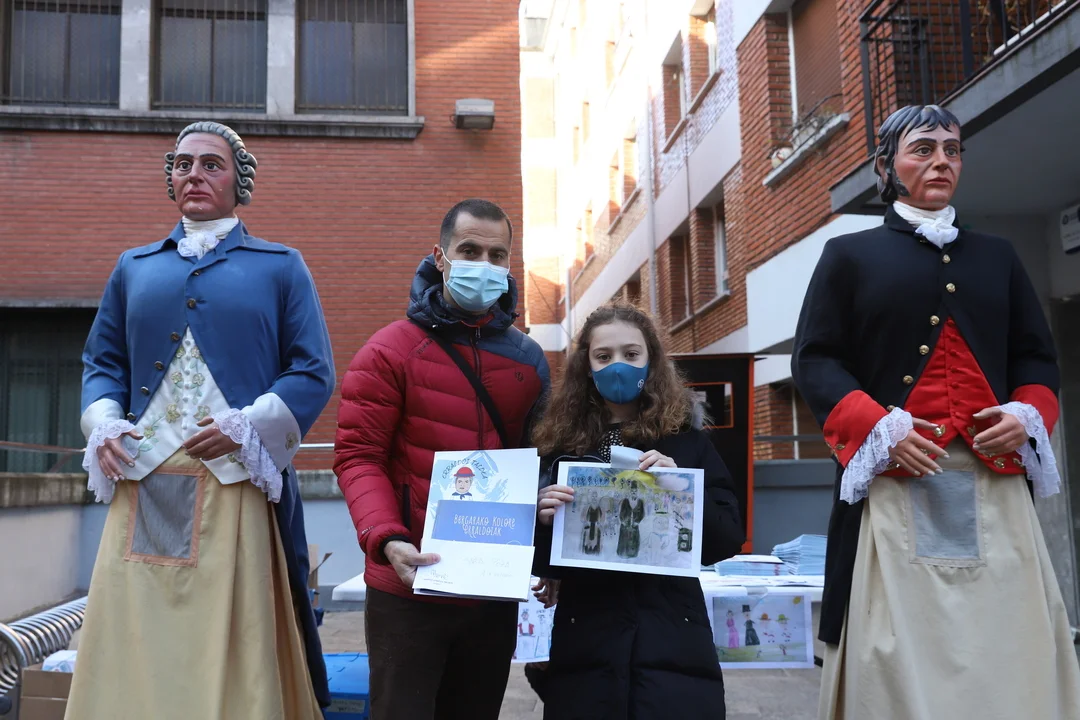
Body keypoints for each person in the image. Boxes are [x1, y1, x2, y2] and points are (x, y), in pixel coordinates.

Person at [792, 104, 1080, 719]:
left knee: (1007, 636)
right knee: (896, 647)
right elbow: (816, 360)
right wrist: (877, 427)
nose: (942, 161)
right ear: (886, 167)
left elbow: (1035, 357)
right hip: (895, 481)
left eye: (952, 149)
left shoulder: (998, 257)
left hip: (993, 483)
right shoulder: (848, 255)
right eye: (923, 149)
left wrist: (1027, 414)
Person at [71, 121, 335, 719]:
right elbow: (101, 362)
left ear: (239, 182)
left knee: (231, 625)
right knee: (141, 619)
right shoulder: (133, 266)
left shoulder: (281, 266)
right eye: (182, 163)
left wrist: (251, 425)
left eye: (211, 164)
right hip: (145, 480)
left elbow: (312, 369)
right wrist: (103, 423)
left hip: (233, 481)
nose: (194, 173)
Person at [334, 198, 550, 720]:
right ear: (440, 256)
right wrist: (387, 539)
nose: (484, 265)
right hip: (409, 585)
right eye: (469, 251)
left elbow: (544, 461)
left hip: (490, 589)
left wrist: (546, 554)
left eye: (497, 255)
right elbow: (358, 456)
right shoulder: (389, 350)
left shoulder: (528, 359)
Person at [531, 303, 745, 720]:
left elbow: (726, 538)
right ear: (587, 367)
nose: (618, 366)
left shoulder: (685, 441)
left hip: (671, 640)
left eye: (631, 354)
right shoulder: (563, 447)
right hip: (587, 641)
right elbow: (544, 562)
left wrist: (681, 489)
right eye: (604, 356)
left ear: (651, 360)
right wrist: (543, 520)